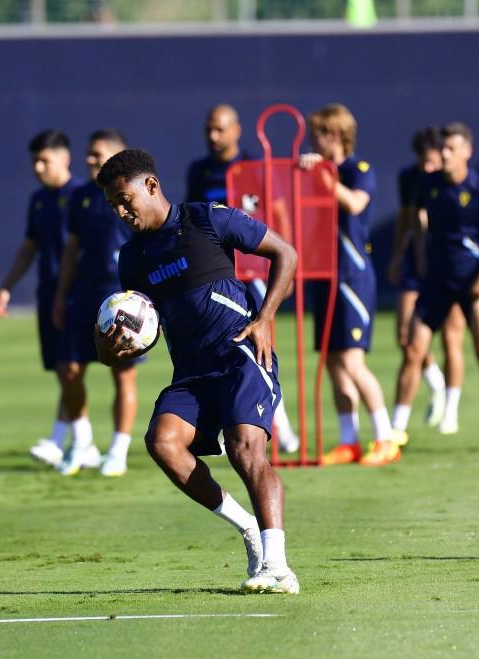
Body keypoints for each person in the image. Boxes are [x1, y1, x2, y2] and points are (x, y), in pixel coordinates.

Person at [95, 149, 301, 593]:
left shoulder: (207, 219)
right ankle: (247, 528)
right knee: (162, 443)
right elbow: (138, 329)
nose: (120, 210)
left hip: (240, 354)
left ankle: (278, 566)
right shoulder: (131, 260)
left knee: (246, 447)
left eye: (124, 198)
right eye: (112, 204)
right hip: (191, 371)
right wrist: (110, 351)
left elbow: (285, 253)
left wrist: (265, 318)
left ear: (151, 185)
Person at [185, 103, 301, 454]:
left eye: (220, 129)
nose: (213, 136)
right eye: (209, 129)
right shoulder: (200, 171)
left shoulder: (255, 166)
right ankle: (233, 424)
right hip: (218, 275)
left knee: (261, 344)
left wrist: (286, 263)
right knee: (226, 348)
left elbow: (278, 211)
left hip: (254, 272)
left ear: (237, 130)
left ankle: (280, 424)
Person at [394, 122, 479, 450]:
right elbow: (416, 219)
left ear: (466, 153)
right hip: (436, 282)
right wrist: (417, 254)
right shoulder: (427, 184)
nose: (444, 154)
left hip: (472, 282)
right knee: (413, 348)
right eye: (442, 148)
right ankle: (396, 430)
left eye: (450, 149)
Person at [300, 104, 399, 466]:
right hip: (324, 276)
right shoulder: (319, 171)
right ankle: (349, 440)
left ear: (338, 135)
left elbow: (356, 204)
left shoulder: (358, 170)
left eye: (321, 133)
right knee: (333, 362)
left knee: (354, 363)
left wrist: (327, 179)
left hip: (353, 276)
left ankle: (386, 438)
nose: (315, 140)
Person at [0, 130, 86, 467]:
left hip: (77, 294)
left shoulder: (80, 196)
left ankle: (73, 441)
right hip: (48, 293)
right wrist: (6, 286)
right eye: (34, 160)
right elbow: (28, 248)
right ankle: (71, 439)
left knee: (71, 367)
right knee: (64, 370)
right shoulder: (39, 200)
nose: (38, 166)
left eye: (44, 159)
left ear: (65, 158)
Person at [51, 129, 139, 477]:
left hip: (122, 295)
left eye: (96, 154)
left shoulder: (130, 195)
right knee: (70, 369)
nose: (89, 159)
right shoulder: (81, 196)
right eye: (87, 154)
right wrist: (61, 294)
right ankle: (83, 442)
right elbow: (71, 250)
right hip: (84, 293)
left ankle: (118, 450)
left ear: (116, 157)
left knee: (123, 375)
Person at [387, 127, 457, 440]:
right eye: (423, 163)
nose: (429, 169)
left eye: (433, 162)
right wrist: (398, 253)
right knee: (405, 336)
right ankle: (435, 382)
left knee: (451, 337)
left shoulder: (452, 181)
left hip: (448, 267)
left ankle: (449, 404)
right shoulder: (412, 178)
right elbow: (407, 217)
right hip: (418, 267)